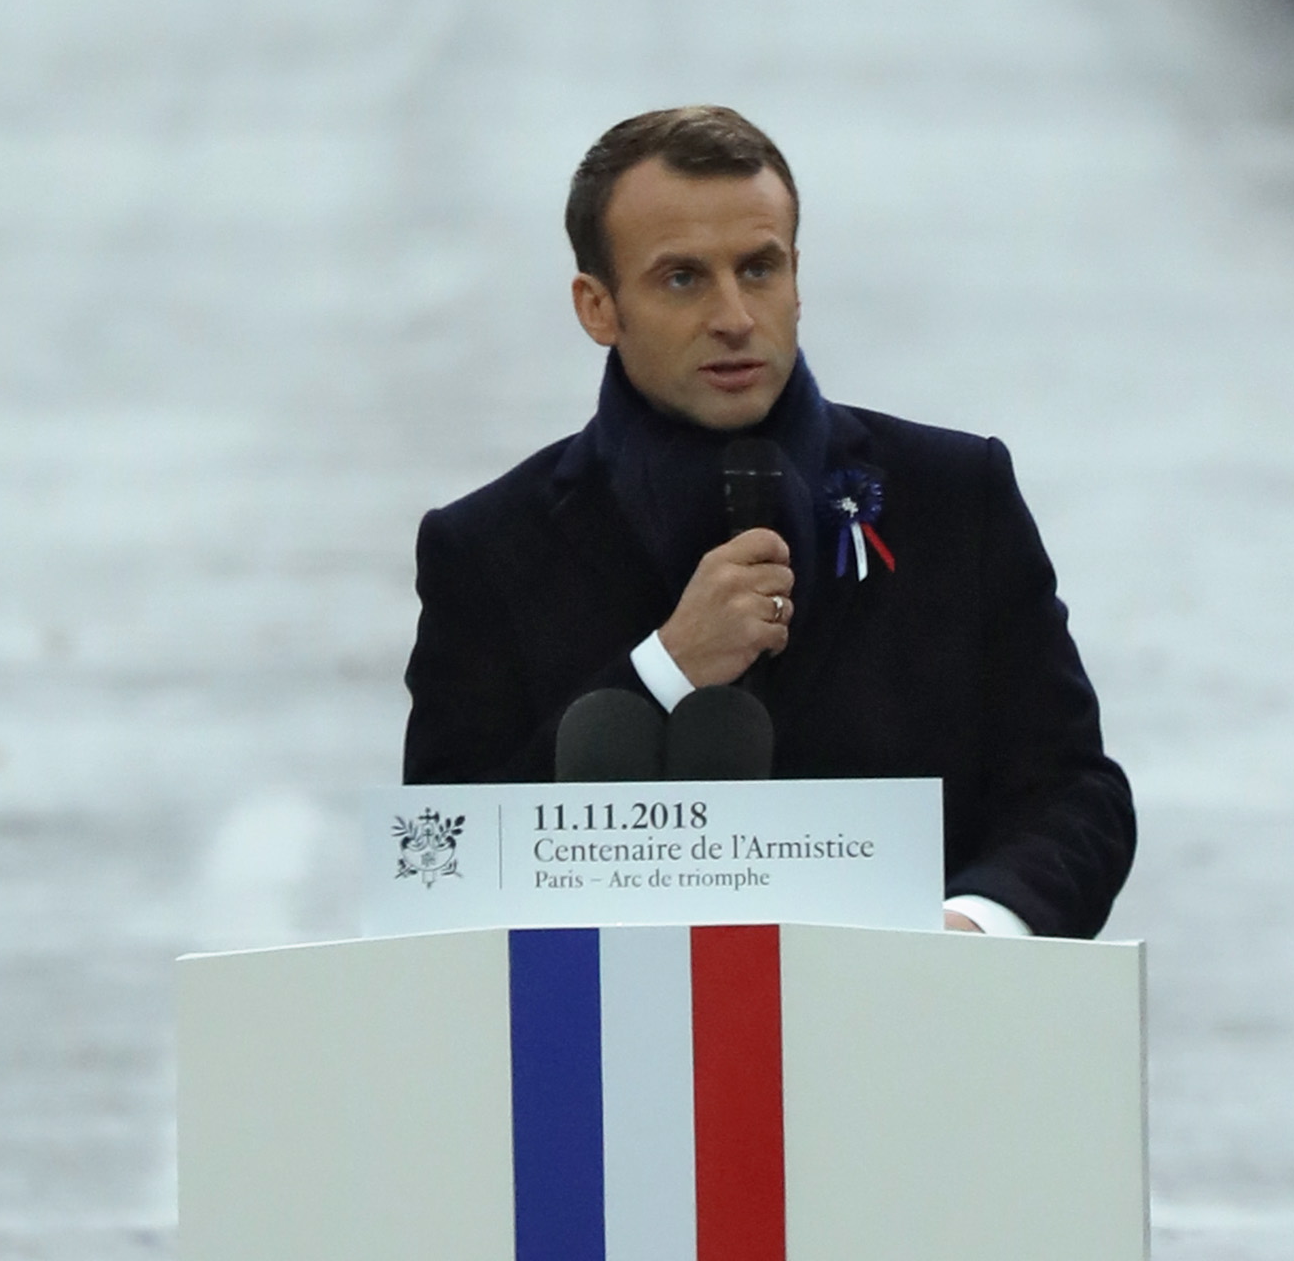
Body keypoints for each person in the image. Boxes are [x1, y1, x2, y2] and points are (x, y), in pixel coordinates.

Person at [406, 104, 1132, 939]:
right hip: (613, 1044)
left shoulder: (956, 496)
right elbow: (442, 859)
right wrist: (665, 671)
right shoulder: (488, 547)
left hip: (918, 1032)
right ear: (597, 307)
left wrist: (973, 927)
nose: (734, 317)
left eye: (759, 269)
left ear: (796, 277)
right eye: (683, 278)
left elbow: (1076, 792)